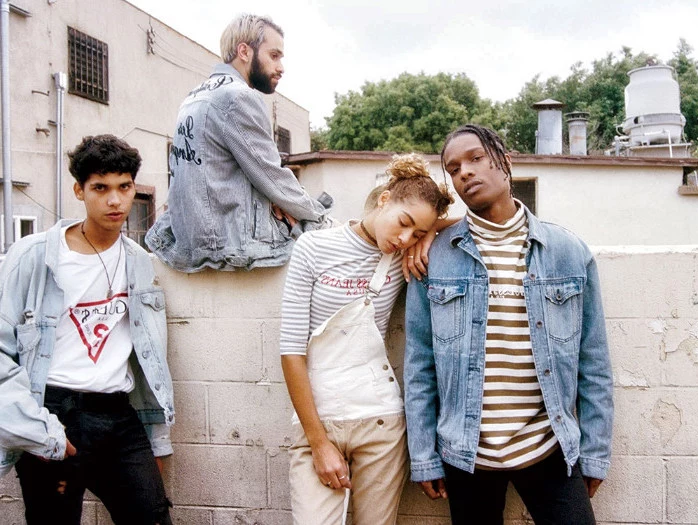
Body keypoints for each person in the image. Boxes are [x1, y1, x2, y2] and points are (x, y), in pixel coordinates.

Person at [404, 124, 613, 524]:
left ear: (506, 162)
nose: (464, 172)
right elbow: (419, 366)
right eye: (453, 168)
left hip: (549, 448)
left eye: (475, 158)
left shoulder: (567, 252)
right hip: (466, 454)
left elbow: (594, 362)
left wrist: (595, 453)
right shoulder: (434, 258)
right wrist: (424, 457)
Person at [0, 135, 175, 524]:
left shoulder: (140, 262)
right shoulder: (34, 256)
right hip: (54, 412)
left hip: (118, 414)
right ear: (79, 190)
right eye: (101, 188)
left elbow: (149, 355)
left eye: (124, 187)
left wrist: (157, 436)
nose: (115, 201)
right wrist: (39, 428)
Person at [280, 154, 453, 525]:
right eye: (404, 223)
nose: (405, 238)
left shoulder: (400, 254)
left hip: (381, 423)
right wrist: (319, 443)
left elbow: (472, 221)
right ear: (384, 199)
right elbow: (292, 352)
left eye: (417, 234)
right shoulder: (314, 248)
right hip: (317, 422)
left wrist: (433, 233)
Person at [146, 13, 332, 273]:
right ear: (244, 51)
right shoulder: (237, 97)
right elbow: (272, 177)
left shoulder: (194, 96)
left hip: (189, 241)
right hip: (227, 245)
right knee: (318, 228)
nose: (281, 67)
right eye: (274, 55)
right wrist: (319, 216)